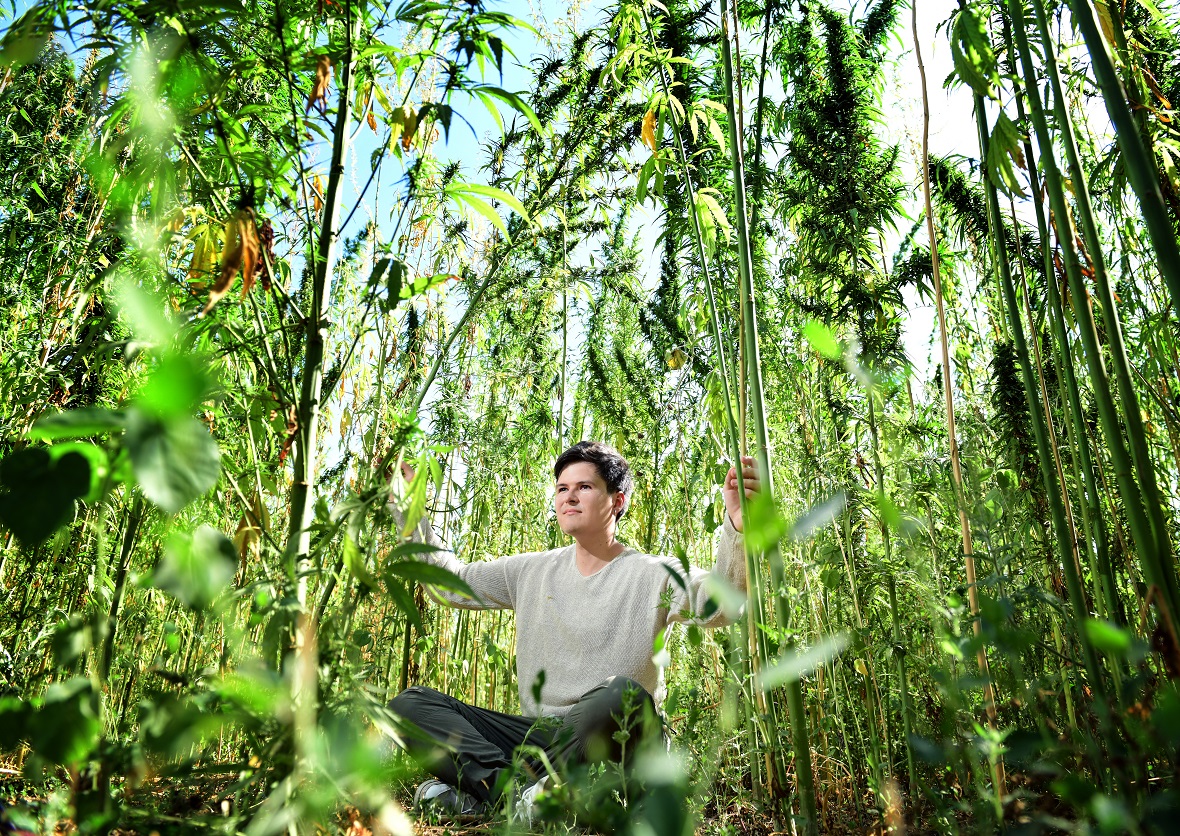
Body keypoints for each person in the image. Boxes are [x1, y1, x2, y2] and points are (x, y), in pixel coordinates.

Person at [387, 440, 759, 821]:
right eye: (562, 489)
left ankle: (488, 800)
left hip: (614, 744)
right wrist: (409, 509)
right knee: (409, 705)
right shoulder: (531, 571)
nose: (569, 497)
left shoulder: (652, 573)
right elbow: (448, 584)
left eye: (584, 487)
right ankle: (514, 798)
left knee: (621, 694)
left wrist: (736, 529)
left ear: (617, 501)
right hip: (540, 741)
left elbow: (721, 605)